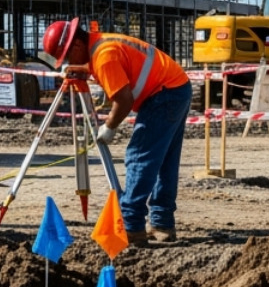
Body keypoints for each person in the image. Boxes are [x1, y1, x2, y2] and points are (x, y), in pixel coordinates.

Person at [43, 17, 192, 246]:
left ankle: (131, 225)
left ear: (77, 45)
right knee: (164, 159)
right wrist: (83, 69)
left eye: (65, 56)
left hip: (163, 94)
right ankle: (162, 222)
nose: (65, 62)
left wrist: (109, 126)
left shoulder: (104, 56)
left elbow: (123, 100)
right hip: (176, 86)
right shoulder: (101, 45)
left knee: (139, 156)